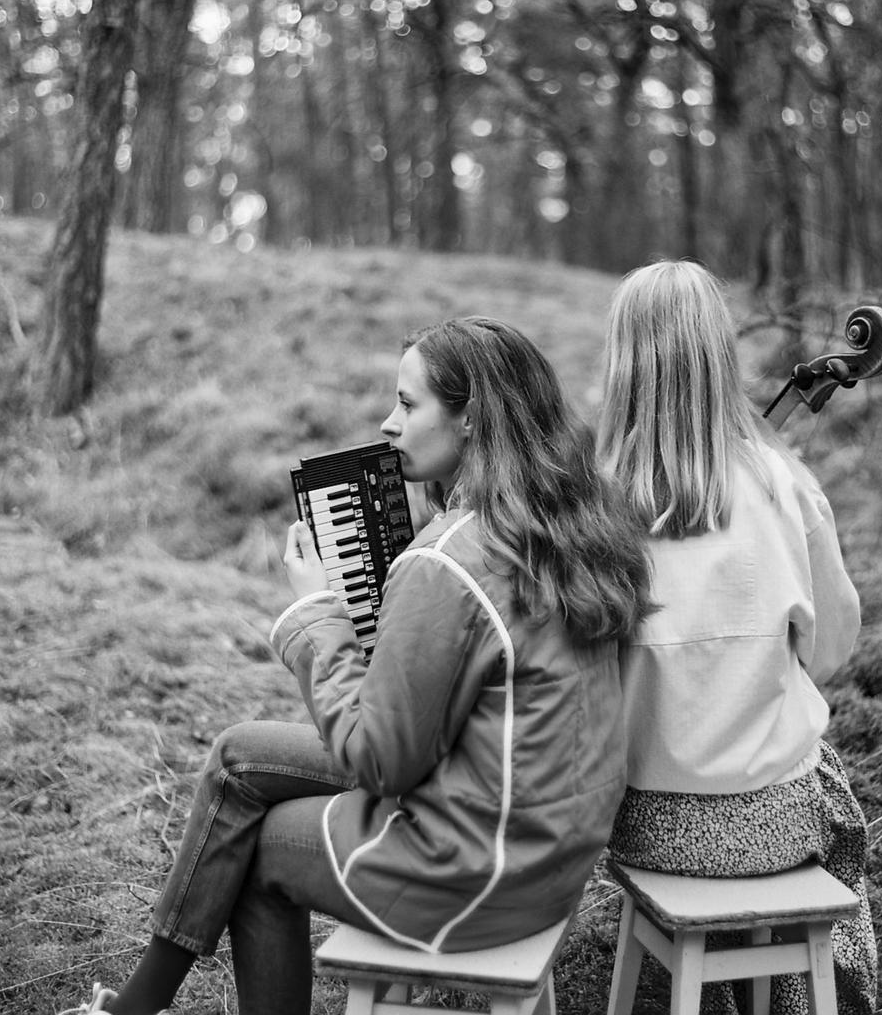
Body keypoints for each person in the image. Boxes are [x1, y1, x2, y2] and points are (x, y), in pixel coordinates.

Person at [62, 316, 654, 1015]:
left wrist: (320, 615)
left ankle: (135, 1007)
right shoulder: (568, 524)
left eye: (408, 404)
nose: (387, 423)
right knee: (236, 758)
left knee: (257, 853)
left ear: (473, 420)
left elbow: (382, 763)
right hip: (551, 853)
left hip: (478, 869)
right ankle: (138, 1005)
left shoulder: (446, 564)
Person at [595, 261, 878, 1015]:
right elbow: (833, 649)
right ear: (720, 355)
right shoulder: (784, 484)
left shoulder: (590, 504)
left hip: (646, 824)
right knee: (825, 783)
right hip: (773, 826)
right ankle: (796, 995)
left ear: (624, 363)